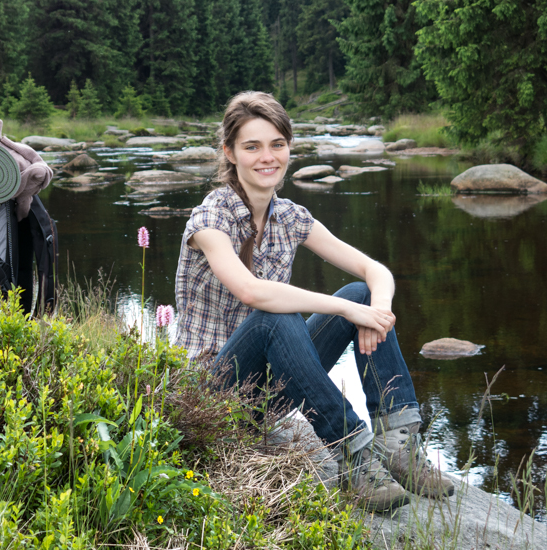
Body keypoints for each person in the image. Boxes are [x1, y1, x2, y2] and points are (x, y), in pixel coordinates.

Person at [174, 91, 454, 512]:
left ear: (289, 147)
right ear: (230, 153)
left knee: (361, 294)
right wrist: (341, 308)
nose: (267, 157)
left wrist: (372, 311)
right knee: (277, 316)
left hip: (268, 394)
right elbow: (252, 291)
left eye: (277, 144)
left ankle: (396, 441)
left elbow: (376, 272)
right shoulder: (210, 219)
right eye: (252, 146)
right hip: (214, 396)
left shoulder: (290, 217)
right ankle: (351, 453)